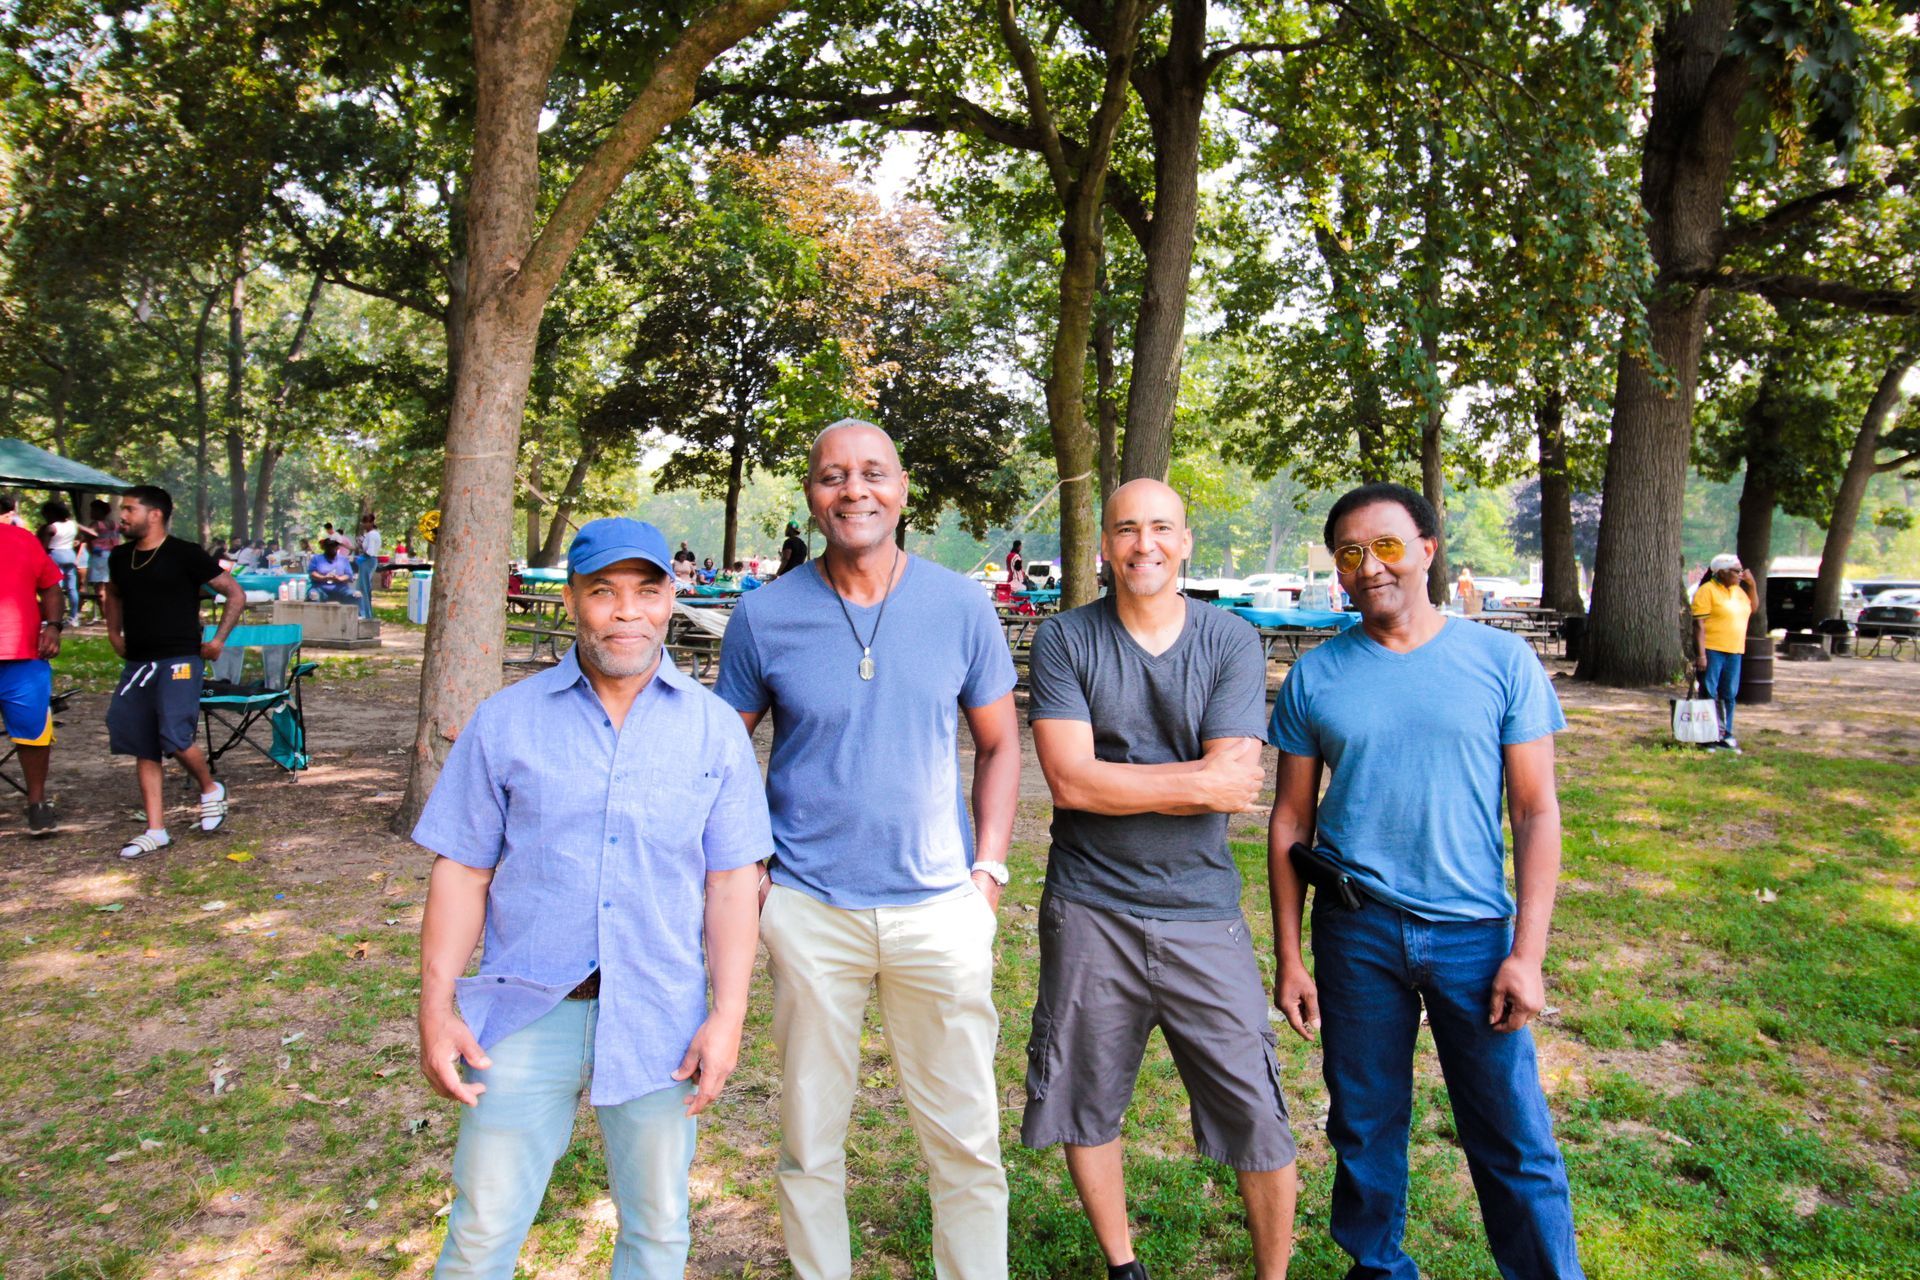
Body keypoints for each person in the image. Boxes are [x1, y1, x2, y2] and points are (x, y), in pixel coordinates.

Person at [413, 517, 770, 1279]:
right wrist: (437, 1006)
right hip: (521, 1014)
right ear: (572, 599)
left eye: (645, 591)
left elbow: (733, 881)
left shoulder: (715, 732)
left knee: (657, 1231)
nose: (626, 611)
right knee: (480, 1231)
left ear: (672, 598)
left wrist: (728, 1015)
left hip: (660, 1018)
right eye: (603, 591)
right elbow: (463, 870)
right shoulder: (505, 721)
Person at [715, 418, 1020, 1280]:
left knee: (966, 1139)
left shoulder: (961, 606)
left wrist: (987, 873)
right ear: (811, 495)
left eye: (873, 473)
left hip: (940, 911)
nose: (854, 490)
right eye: (832, 476)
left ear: (903, 487)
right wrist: (755, 869)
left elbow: (1000, 744)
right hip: (810, 910)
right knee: (811, 1140)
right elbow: (721, 749)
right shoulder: (765, 614)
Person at [1267, 482, 1582, 1280]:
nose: (1369, 567)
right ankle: (1378, 1272)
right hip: (1356, 932)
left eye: (1388, 546)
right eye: (1349, 553)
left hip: (1475, 935)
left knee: (1512, 1134)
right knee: (1366, 1129)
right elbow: (1291, 823)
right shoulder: (1317, 677)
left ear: (1429, 549)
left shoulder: (1500, 661)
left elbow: (1536, 812)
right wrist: (1291, 956)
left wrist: (1528, 953)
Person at [1025, 479, 1297, 1280]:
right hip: (1089, 907)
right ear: (1105, 546)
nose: (1144, 544)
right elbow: (1071, 783)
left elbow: (1238, 783)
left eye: (1160, 529)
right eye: (1126, 530)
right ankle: (1124, 1268)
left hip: (1201, 908)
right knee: (1083, 1095)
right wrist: (1195, 783)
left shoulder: (1231, 641)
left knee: (1255, 1103)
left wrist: (1123, 781)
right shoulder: (1066, 640)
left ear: (1184, 541)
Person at [104, 485, 245, 859]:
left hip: (180, 658)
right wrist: (113, 632)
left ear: (155, 514)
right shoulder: (120, 557)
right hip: (139, 662)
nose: (123, 516)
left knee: (175, 736)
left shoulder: (185, 554)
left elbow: (235, 594)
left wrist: (218, 641)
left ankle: (209, 788)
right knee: (143, 742)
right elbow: (113, 594)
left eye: (130, 509)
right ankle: (155, 829)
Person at [1, 516, 65, 835]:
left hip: (24, 655)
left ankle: (37, 803)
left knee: (34, 733)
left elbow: (52, 587)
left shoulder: (22, 539)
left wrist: (53, 626)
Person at [1691, 553, 1756, 753]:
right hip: (1713, 648)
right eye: (1736, 571)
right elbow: (1699, 626)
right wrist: (1701, 654)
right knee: (1709, 691)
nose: (1740, 574)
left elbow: (1753, 608)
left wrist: (1752, 586)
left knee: (1729, 693)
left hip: (1734, 649)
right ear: (1721, 573)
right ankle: (1708, 736)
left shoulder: (1738, 591)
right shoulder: (1707, 591)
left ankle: (1726, 733)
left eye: (1740, 571)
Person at [37, 500, 88, 627]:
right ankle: (74, 617)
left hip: (55, 556)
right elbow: (91, 533)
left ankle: (53, 617)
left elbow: (44, 546)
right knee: (72, 588)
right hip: (70, 555)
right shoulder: (72, 524)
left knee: (55, 588)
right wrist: (79, 542)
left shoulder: (52, 527)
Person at [85, 499, 120, 603]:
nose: (91, 513)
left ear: (99, 511)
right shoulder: (115, 524)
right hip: (112, 555)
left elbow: (88, 536)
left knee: (99, 588)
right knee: (107, 586)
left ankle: (106, 616)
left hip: (99, 556)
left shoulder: (96, 524)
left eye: (93, 510)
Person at [307, 539, 360, 605]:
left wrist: (339, 579)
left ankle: (351, 614)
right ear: (324, 548)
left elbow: (349, 575)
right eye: (329, 546)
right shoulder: (316, 558)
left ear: (337, 547)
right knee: (313, 596)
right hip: (320, 589)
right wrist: (324, 577)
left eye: (334, 546)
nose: (332, 549)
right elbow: (312, 573)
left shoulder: (343, 559)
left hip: (341, 589)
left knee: (356, 595)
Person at [354, 513, 382, 620]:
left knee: (363, 588)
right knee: (363, 587)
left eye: (365, 523)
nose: (364, 525)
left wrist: (361, 556)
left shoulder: (372, 535)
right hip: (368, 560)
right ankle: (365, 612)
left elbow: (370, 551)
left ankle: (365, 613)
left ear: (371, 523)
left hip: (368, 560)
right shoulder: (370, 534)